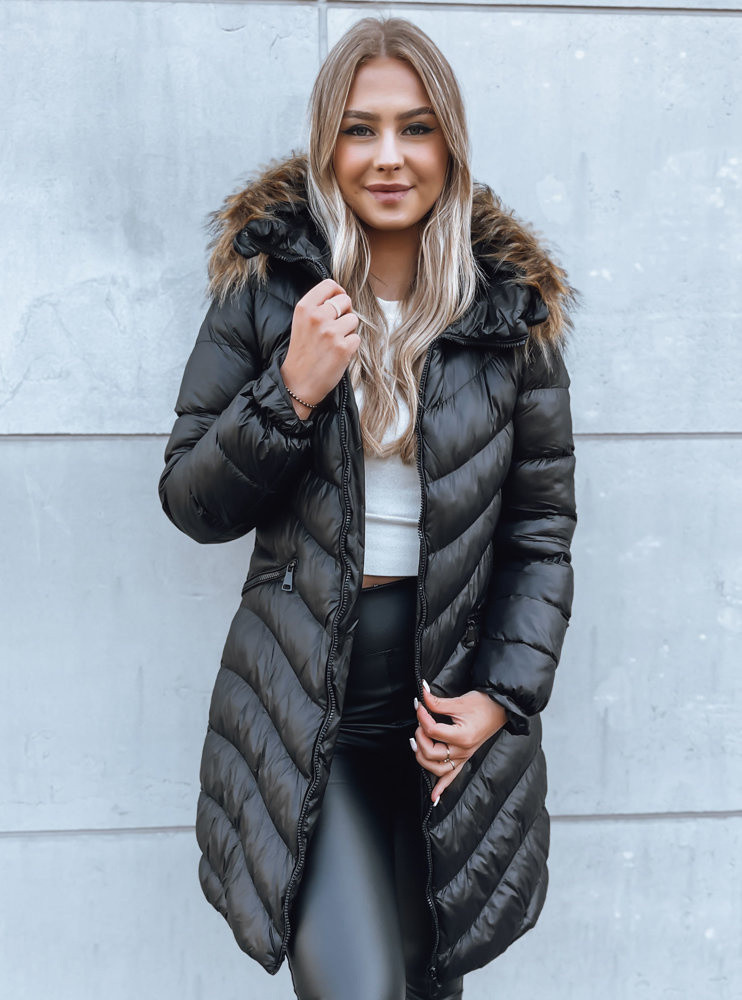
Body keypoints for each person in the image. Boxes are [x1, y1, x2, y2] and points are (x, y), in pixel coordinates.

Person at [158, 15, 577, 1000]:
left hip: (445, 716)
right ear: (327, 144)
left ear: (450, 144)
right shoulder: (269, 289)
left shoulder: (509, 311)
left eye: (416, 127)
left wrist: (501, 698)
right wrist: (291, 392)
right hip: (310, 708)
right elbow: (192, 499)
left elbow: (539, 532)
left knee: (426, 984)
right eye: (360, 129)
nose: (389, 156)